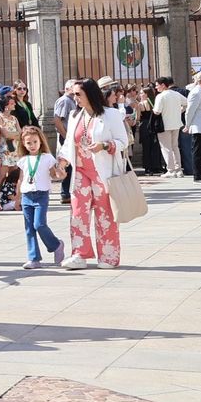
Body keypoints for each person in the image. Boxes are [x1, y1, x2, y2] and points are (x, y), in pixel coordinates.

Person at [57, 77, 131, 270]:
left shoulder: (111, 115)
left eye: (78, 94)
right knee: (78, 213)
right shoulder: (75, 116)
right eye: (74, 94)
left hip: (102, 173)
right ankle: (79, 254)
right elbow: (68, 144)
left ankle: (109, 256)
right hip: (80, 172)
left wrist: (105, 145)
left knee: (105, 214)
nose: (75, 98)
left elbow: (123, 141)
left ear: (90, 94)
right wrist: (62, 161)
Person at [15, 126, 68, 269]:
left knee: (39, 224)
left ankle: (56, 245)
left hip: (41, 195)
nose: (32, 145)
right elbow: (21, 178)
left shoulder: (47, 158)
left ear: (40, 141)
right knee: (29, 228)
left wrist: (60, 175)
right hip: (27, 195)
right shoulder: (23, 160)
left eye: (35, 141)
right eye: (29, 143)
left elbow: (53, 174)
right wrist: (17, 197)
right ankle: (34, 258)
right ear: (24, 144)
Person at [0, 91, 24, 210]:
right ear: (6, 105)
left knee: (13, 175)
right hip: (5, 149)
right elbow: (5, 134)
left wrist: (14, 135)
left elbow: (21, 133)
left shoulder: (14, 118)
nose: (14, 105)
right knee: (1, 175)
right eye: (12, 103)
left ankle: (11, 197)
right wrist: (15, 134)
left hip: (14, 149)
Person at [153, 76, 187, 176]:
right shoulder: (176, 94)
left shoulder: (160, 96)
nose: (156, 87)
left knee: (166, 148)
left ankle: (171, 170)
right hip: (176, 123)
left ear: (163, 85)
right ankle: (178, 169)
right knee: (175, 147)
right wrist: (180, 111)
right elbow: (187, 103)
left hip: (164, 125)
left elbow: (157, 111)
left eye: (157, 85)